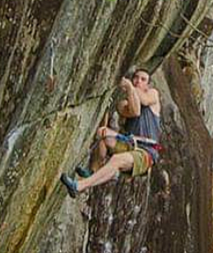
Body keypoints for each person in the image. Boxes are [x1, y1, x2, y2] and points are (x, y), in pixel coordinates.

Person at [60, 69, 161, 197]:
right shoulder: (123, 104)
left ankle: (79, 186)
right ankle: (92, 172)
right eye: (136, 77)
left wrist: (130, 86)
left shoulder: (153, 95)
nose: (138, 81)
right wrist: (109, 131)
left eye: (143, 79)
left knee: (116, 160)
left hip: (146, 152)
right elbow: (134, 110)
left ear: (148, 85)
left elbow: (141, 105)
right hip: (129, 146)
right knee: (104, 137)